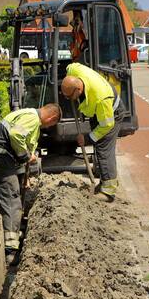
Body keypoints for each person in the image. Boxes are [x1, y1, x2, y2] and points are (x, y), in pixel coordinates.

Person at [0, 104, 61, 251]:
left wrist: (25, 176)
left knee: (14, 193)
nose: (48, 127)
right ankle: (10, 247)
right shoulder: (32, 119)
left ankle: (12, 228)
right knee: (12, 201)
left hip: (0, 158)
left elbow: (19, 145)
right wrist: (26, 155)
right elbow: (16, 136)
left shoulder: (28, 115)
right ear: (51, 118)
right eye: (52, 124)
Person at [61, 62, 120, 201]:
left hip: (111, 114)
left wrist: (88, 138)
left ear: (78, 90)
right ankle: (104, 182)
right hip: (97, 112)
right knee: (98, 147)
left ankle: (108, 192)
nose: (69, 100)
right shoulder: (74, 71)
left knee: (103, 149)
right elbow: (70, 66)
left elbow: (107, 125)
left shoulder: (101, 98)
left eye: (70, 96)